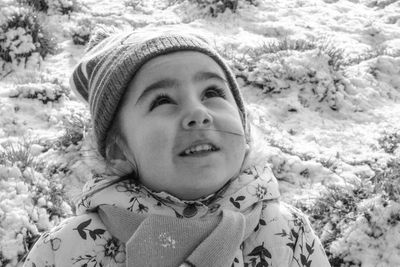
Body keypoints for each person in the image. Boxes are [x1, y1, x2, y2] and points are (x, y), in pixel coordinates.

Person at [24, 25, 331, 267]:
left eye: (212, 92)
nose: (198, 113)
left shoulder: (286, 233)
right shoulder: (66, 248)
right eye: (163, 101)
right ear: (117, 151)